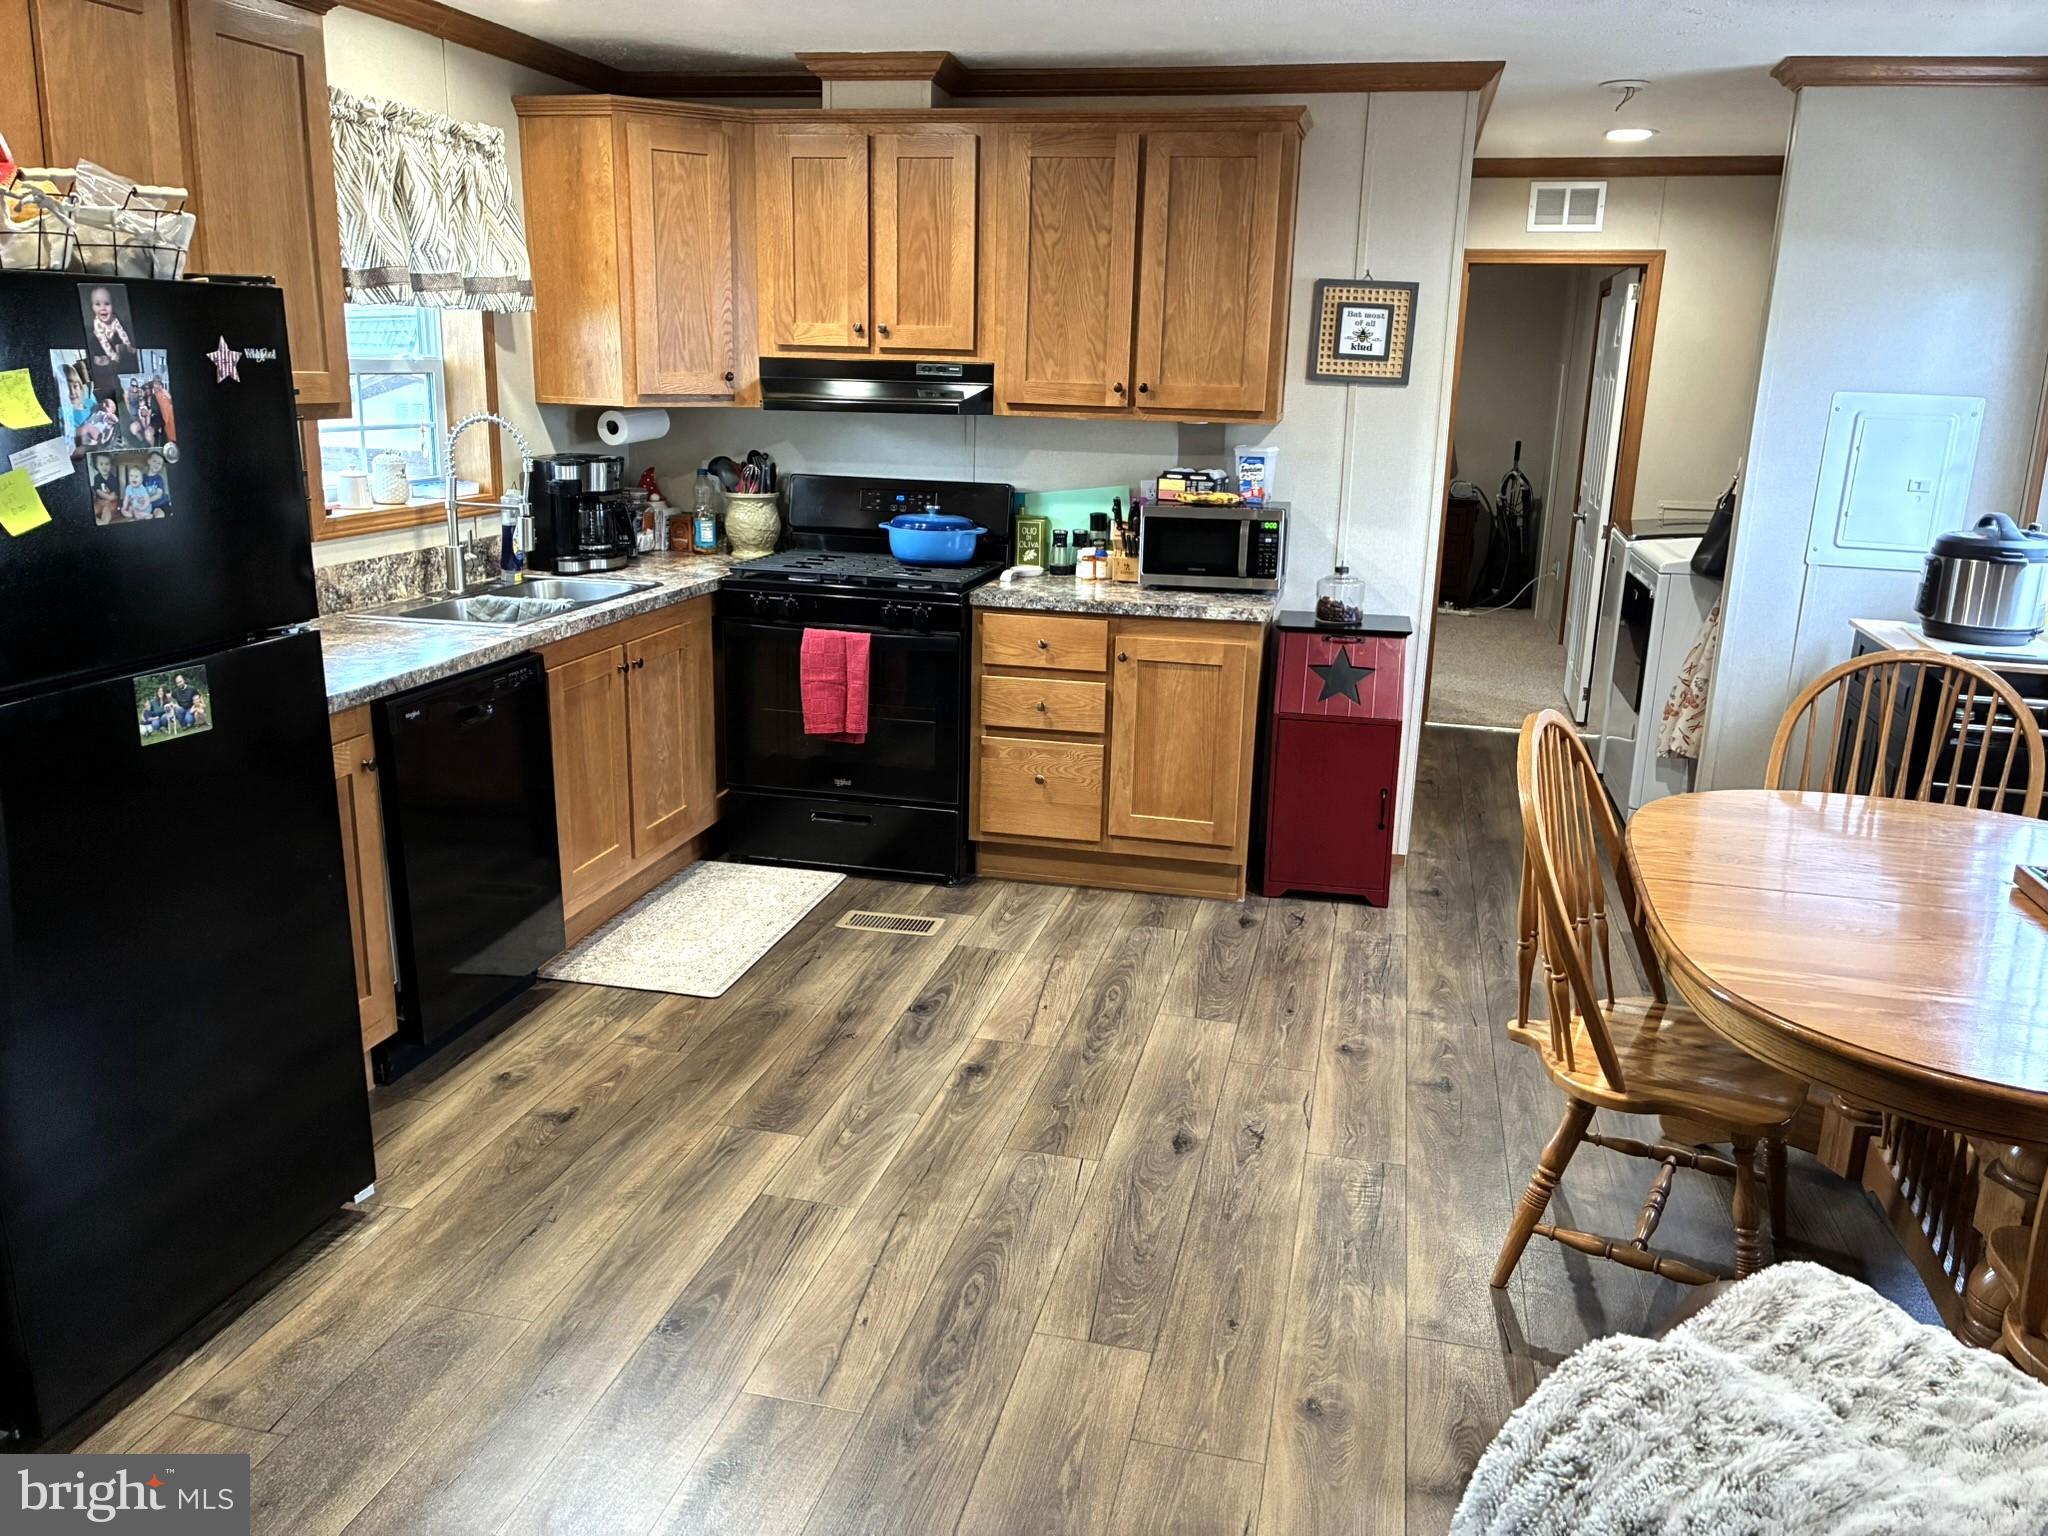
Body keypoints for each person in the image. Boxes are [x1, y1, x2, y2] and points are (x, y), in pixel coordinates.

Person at [85, 286, 135, 377]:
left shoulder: (114, 318)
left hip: (111, 337)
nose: (103, 307)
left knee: (119, 342)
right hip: (99, 340)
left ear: (112, 305)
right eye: (97, 304)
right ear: (92, 307)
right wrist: (113, 356)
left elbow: (121, 332)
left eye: (107, 303)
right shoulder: (97, 323)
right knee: (98, 355)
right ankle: (101, 357)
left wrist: (128, 345)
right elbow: (103, 341)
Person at [89, 453, 119, 524]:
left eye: (107, 464)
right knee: (95, 508)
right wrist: (109, 497)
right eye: (101, 464)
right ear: (97, 466)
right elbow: (98, 491)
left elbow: (114, 494)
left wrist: (111, 498)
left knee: (107, 510)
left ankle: (104, 521)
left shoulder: (113, 478)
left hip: (110, 503)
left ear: (110, 465)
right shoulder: (97, 478)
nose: (104, 467)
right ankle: (96, 520)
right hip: (99, 501)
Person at [141, 452, 172, 518]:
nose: (156, 464)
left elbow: (158, 495)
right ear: (148, 461)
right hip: (150, 506)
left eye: (159, 463)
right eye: (154, 461)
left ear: (161, 466)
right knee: (146, 517)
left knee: (160, 515)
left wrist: (147, 500)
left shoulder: (159, 479)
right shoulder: (142, 478)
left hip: (161, 503)